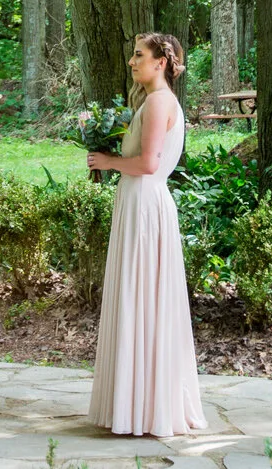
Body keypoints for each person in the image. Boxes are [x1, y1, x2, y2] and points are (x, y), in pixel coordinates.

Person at [87, 32, 205, 437]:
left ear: (160, 62)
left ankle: (145, 406)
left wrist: (108, 159)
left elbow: (149, 164)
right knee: (138, 296)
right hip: (137, 202)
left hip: (146, 203)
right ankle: (136, 401)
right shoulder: (152, 101)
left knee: (143, 296)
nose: (132, 62)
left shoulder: (158, 103)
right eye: (133, 55)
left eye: (139, 56)